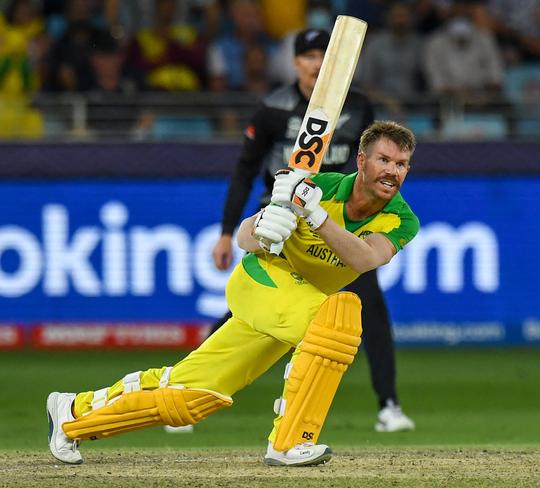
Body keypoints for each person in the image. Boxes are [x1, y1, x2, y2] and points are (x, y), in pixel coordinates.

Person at [47, 119, 419, 467]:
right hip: (263, 281)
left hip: (293, 307)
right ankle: (289, 440)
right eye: (384, 159)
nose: (392, 171)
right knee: (337, 319)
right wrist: (266, 222)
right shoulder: (318, 186)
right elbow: (245, 238)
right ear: (361, 160)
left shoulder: (401, 219)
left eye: (401, 164)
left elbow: (366, 258)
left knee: (189, 397)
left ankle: (73, 414)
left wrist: (315, 216)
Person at [211, 28, 416, 433]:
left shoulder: (358, 107)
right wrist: (225, 231)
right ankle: (194, 383)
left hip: (335, 216)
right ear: (295, 62)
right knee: (247, 307)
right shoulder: (273, 107)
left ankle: (388, 405)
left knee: (368, 307)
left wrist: (327, 210)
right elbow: (246, 169)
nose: (316, 62)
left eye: (324, 54)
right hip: (283, 215)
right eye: (307, 55)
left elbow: (375, 162)